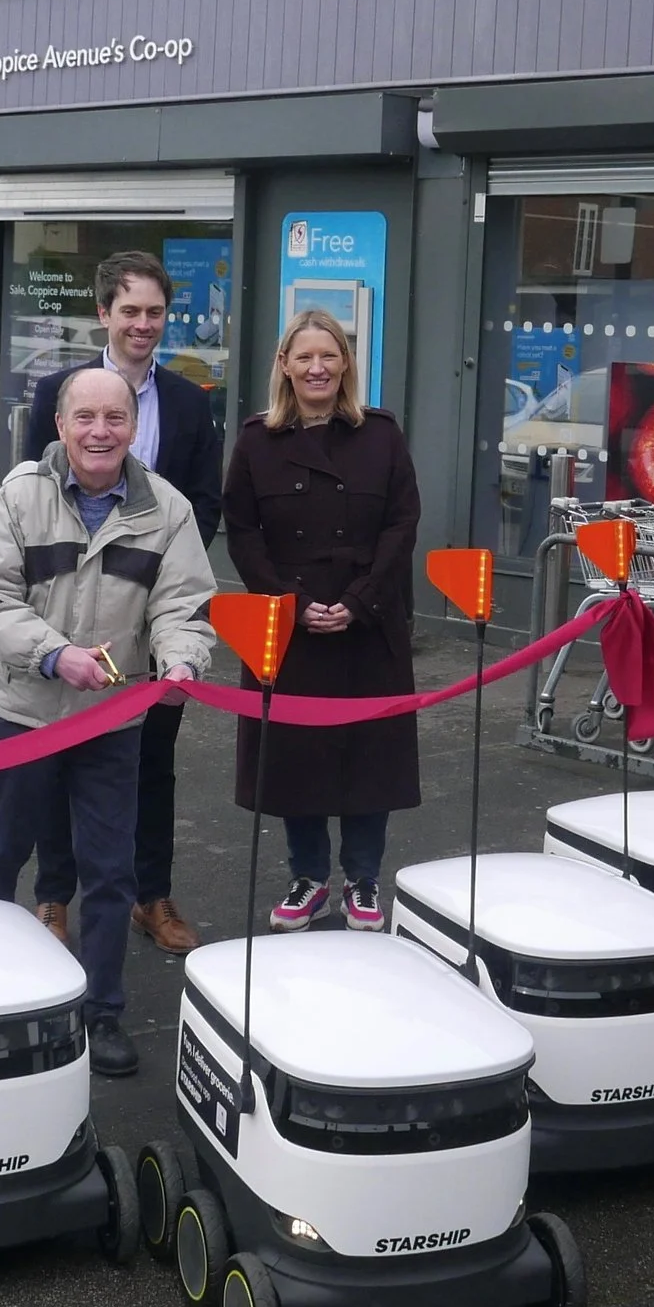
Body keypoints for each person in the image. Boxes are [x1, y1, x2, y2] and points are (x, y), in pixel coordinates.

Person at [0, 366, 217, 1076]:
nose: (100, 432)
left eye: (114, 419)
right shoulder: (20, 494)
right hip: (24, 714)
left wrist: (180, 663)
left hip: (113, 724)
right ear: (61, 424)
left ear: (133, 429)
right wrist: (54, 656)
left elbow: (185, 608)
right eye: (86, 418)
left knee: (110, 875)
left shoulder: (168, 509)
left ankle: (100, 1012)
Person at [19, 250, 223, 957]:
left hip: (155, 623)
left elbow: (204, 509)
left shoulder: (193, 402)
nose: (143, 325)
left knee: (153, 762)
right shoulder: (56, 390)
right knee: (56, 759)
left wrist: (171, 619)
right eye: (130, 310)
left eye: (155, 312)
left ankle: (150, 895)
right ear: (103, 314)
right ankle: (53, 897)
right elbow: (30, 501)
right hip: (70, 618)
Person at [222, 308, 421, 932]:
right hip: (290, 625)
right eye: (304, 357)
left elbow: (402, 525)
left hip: (370, 621)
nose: (317, 368)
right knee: (297, 760)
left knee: (368, 759)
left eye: (329, 356)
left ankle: (364, 882)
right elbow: (243, 532)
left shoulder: (381, 435)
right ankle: (308, 876)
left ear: (346, 365)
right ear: (283, 364)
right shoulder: (257, 440)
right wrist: (293, 603)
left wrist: (359, 601)